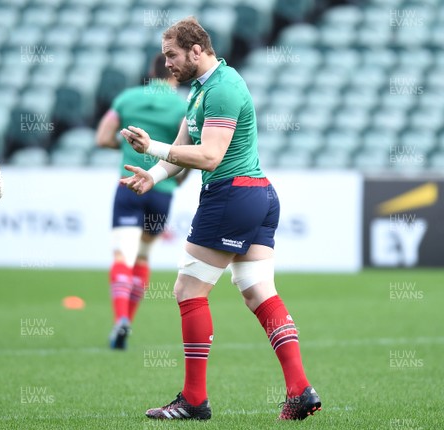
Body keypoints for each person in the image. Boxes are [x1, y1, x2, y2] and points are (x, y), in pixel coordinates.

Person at [120, 17, 321, 420]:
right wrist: (153, 174)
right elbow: (182, 149)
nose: (167, 64)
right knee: (257, 291)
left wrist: (152, 146)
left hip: (232, 195)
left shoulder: (224, 87)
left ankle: (194, 400)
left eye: (172, 55)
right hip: (256, 195)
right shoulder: (200, 89)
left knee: (188, 290)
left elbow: (209, 157)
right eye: (165, 56)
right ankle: (299, 390)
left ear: (197, 50)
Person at [96, 54, 188, 350]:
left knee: (123, 255)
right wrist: (174, 179)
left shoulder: (127, 98)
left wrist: (126, 147)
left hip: (128, 185)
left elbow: (102, 137)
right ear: (175, 72)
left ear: (151, 71)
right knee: (144, 257)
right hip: (161, 189)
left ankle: (120, 318)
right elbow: (186, 153)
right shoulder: (182, 106)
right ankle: (129, 323)